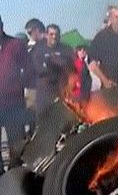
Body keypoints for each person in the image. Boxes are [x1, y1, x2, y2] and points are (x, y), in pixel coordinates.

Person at [0, 16, 32, 174]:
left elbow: (29, 71)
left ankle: (16, 177)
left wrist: (18, 84)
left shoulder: (16, 45)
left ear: (2, 25)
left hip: (13, 105)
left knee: (17, 146)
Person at [33, 24, 73, 113]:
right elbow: (38, 70)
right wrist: (54, 64)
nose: (54, 37)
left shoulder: (66, 49)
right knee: (44, 122)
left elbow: (71, 68)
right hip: (44, 94)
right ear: (46, 35)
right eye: (51, 34)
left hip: (62, 92)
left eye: (56, 34)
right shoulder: (38, 50)